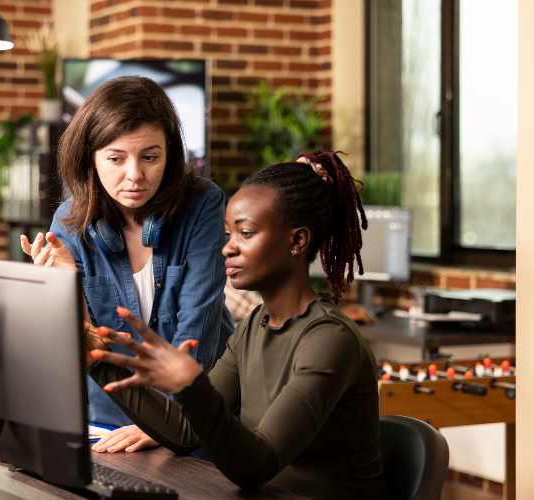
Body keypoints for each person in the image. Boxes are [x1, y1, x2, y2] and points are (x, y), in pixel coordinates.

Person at [86, 151, 387, 499]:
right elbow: (185, 430)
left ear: (297, 241)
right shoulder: (252, 328)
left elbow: (258, 465)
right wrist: (98, 360)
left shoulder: (330, 340)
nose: (228, 248)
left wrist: (191, 385)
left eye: (245, 233)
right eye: (228, 234)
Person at [20, 76, 234, 446]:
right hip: (106, 426)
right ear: (91, 157)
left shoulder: (203, 204)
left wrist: (166, 425)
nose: (134, 175)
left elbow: (197, 332)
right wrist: (64, 289)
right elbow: (81, 351)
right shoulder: (68, 224)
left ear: (170, 153)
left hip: (192, 421)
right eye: (116, 159)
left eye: (150, 157)